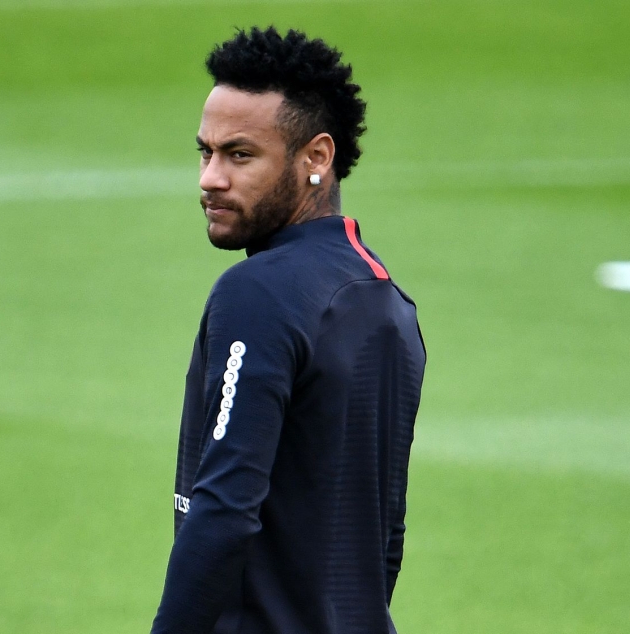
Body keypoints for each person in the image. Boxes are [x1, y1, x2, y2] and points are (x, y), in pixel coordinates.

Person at [150, 27, 426, 634]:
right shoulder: (387, 300)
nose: (210, 179)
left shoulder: (258, 292)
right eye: (206, 152)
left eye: (240, 155)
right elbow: (387, 528)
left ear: (316, 158)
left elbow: (223, 506)